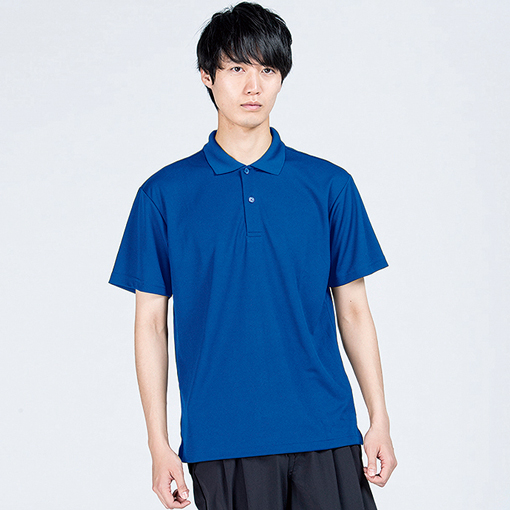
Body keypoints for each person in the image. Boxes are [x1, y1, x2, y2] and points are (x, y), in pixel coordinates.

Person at [108, 2, 397, 509]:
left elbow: (353, 308)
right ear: (207, 76)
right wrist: (158, 443)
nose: (253, 86)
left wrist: (379, 418)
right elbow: (150, 324)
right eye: (237, 68)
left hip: (325, 430)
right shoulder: (164, 195)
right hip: (222, 440)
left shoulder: (329, 186)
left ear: (281, 78)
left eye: (267, 70)